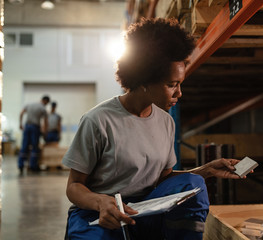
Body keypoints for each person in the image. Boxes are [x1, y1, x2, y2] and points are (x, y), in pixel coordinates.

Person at [62, 18, 242, 240]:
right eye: (171, 85)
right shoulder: (98, 120)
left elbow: (162, 180)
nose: (179, 93)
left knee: (193, 184)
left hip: (145, 210)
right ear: (144, 80)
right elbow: (74, 187)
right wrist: (100, 202)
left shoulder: (165, 122)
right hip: (100, 213)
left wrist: (207, 170)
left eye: (180, 83)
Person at [18, 95, 50, 173]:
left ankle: (21, 165)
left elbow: (21, 113)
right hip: (35, 128)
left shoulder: (30, 104)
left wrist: (20, 124)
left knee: (24, 146)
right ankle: (33, 166)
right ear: (46, 101)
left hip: (27, 126)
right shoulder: (43, 108)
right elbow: (45, 121)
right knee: (35, 147)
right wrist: (45, 132)